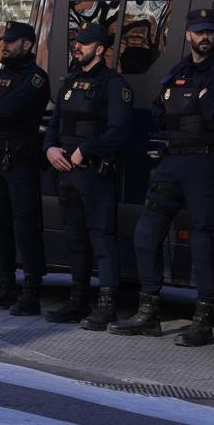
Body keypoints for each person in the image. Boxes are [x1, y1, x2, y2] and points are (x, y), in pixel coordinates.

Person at [108, 8, 214, 342]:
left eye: (209, 31)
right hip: (172, 162)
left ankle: (204, 320)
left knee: (203, 242)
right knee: (145, 235)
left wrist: (198, 108)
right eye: (199, 31)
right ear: (188, 36)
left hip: (204, 164)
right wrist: (188, 106)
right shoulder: (179, 69)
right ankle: (149, 311)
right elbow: (159, 111)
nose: (205, 37)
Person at [43, 22, 133, 330]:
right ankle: (77, 300)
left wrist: (87, 150)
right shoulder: (69, 82)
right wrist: (50, 150)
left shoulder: (113, 85)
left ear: (100, 48)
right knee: (76, 241)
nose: (77, 46)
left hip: (94, 176)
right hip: (67, 175)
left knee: (101, 240)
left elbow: (119, 132)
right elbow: (53, 124)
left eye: (84, 43)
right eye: (76, 42)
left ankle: (107, 306)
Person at [0, 21, 51, 315]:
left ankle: (31, 292)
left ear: (27, 44)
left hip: (21, 159)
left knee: (25, 224)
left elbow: (9, 109)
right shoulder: (0, 75)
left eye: (11, 41)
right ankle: (4, 286)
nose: (5, 46)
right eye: (4, 40)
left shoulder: (37, 79)